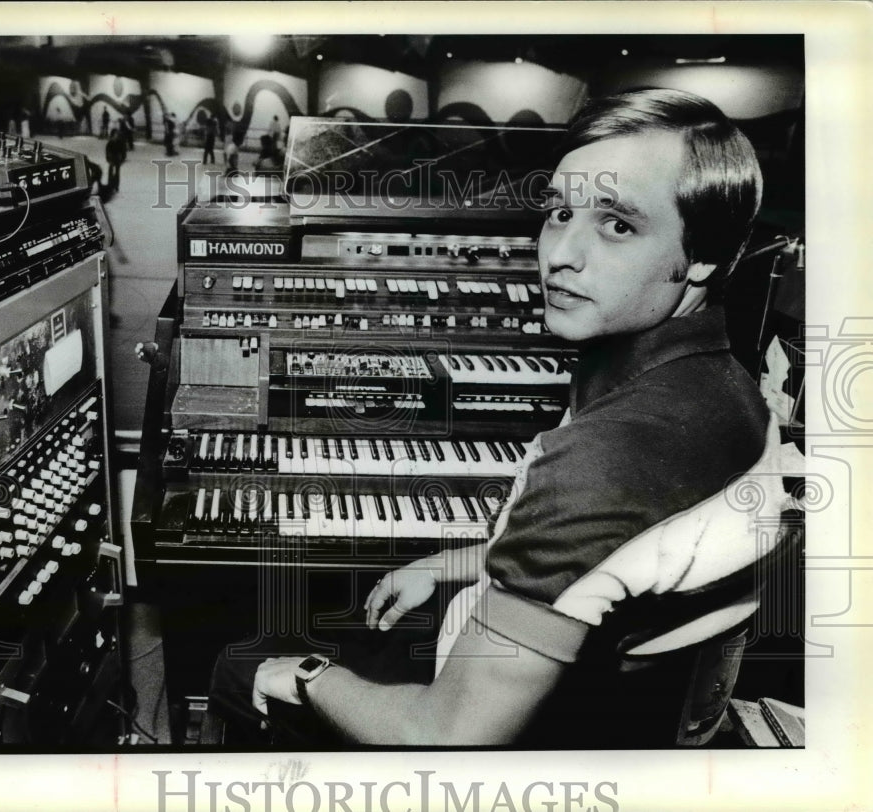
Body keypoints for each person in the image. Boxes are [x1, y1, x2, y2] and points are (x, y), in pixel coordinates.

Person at [210, 88, 783, 746]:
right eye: (560, 213)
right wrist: (450, 564)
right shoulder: (729, 391)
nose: (561, 253)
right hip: (628, 711)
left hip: (504, 731)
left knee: (241, 663)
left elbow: (442, 735)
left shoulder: (606, 460)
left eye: (618, 224)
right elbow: (610, 562)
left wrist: (306, 674)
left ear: (704, 253)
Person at [105, 128, 126, 193]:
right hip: (112, 158)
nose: (116, 136)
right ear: (112, 135)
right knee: (110, 171)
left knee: (117, 172)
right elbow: (107, 151)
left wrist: (122, 159)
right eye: (115, 134)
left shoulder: (120, 142)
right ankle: (110, 184)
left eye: (117, 134)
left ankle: (116, 186)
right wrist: (108, 159)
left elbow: (123, 151)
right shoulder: (110, 142)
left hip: (117, 158)